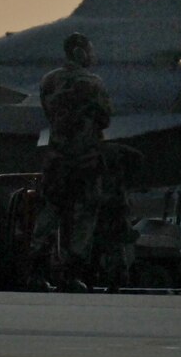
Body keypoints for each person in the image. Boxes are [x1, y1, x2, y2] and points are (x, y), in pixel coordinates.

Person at [35, 33, 119, 288]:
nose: (93, 56)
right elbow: (105, 118)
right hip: (84, 161)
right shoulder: (93, 83)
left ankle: (34, 269)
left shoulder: (49, 81)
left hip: (56, 160)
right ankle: (72, 274)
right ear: (80, 52)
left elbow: (49, 113)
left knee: (49, 215)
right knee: (83, 218)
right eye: (90, 50)